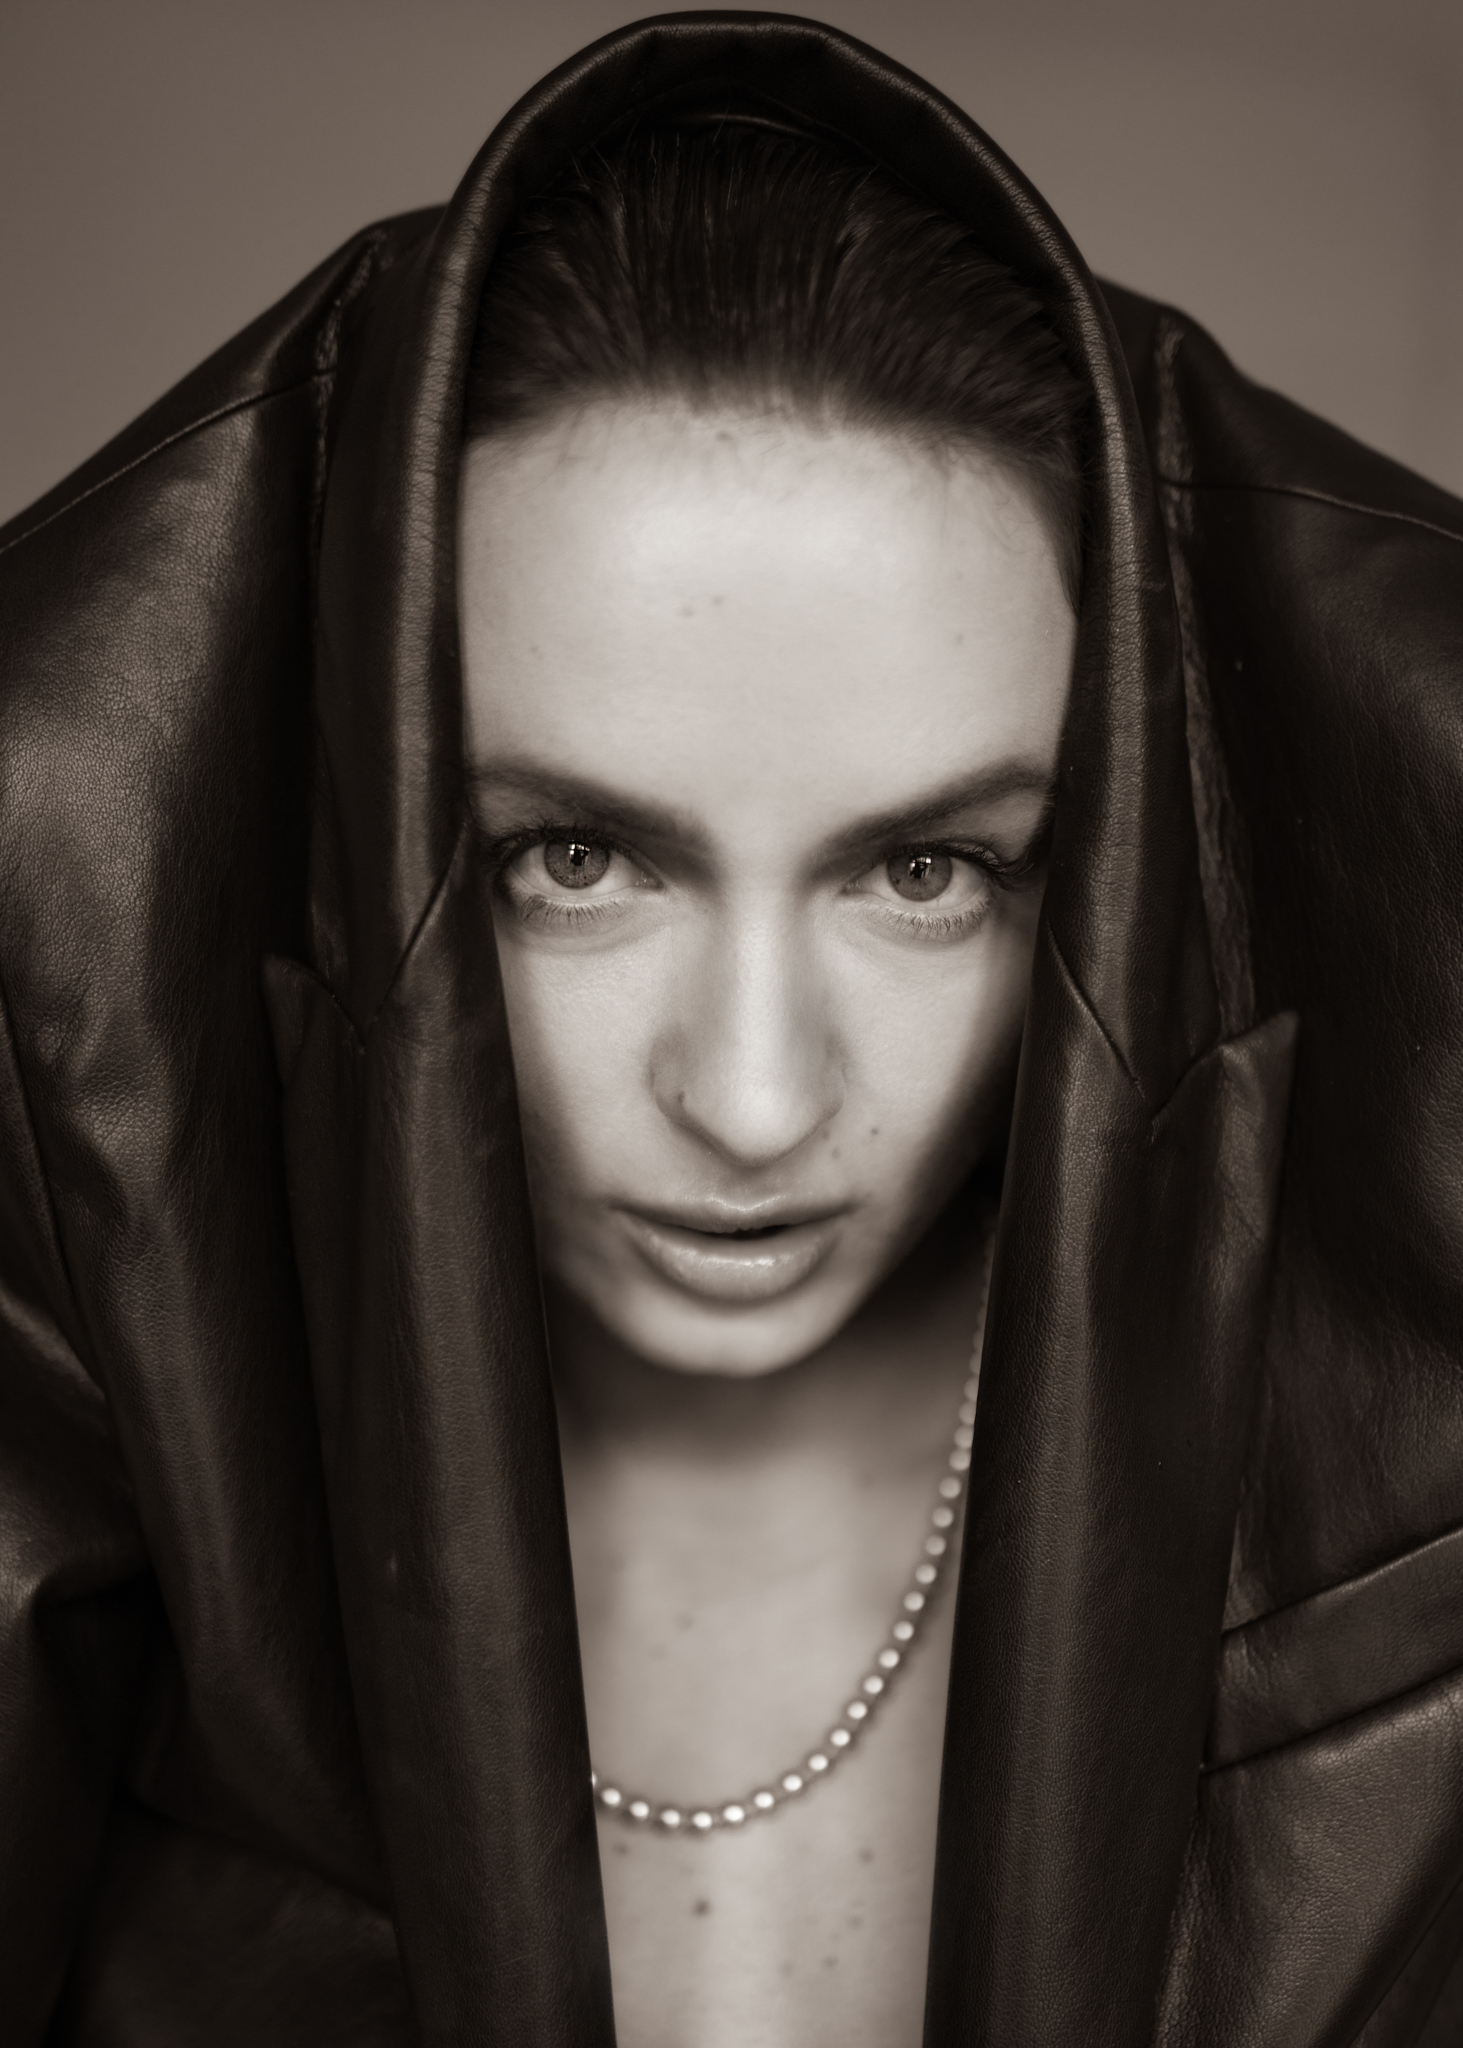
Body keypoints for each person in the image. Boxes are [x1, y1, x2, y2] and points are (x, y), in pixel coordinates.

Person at [0, 13, 1460, 2048]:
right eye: (574, 859)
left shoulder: (1405, 1508)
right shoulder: (109, 1431)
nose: (758, 1099)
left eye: (928, 870)